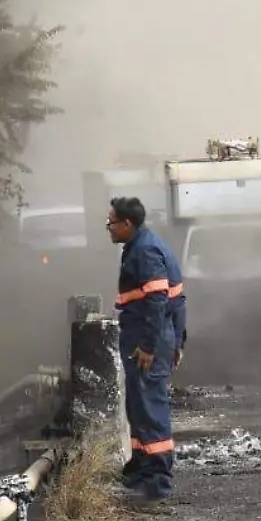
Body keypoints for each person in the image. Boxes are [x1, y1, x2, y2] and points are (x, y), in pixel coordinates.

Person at [106, 196, 181, 501]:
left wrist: (150, 346)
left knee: (150, 409)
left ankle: (157, 481)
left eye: (111, 222)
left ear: (127, 224)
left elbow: (158, 300)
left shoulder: (146, 251)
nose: (108, 228)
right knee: (138, 406)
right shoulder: (139, 246)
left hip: (146, 342)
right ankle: (140, 468)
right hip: (145, 339)